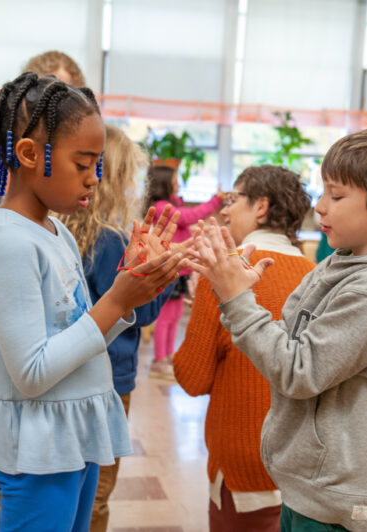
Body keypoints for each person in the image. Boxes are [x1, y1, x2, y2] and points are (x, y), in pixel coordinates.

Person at [183, 121, 367, 532]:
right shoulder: (337, 264)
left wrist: (238, 300)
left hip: (337, 497)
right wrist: (243, 290)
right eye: (322, 191)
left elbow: (298, 370)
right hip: (309, 483)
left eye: (337, 195)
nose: (321, 206)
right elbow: (289, 340)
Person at [0, 72, 184, 531]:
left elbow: (72, 326)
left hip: (71, 432)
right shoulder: (8, 242)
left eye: (98, 164)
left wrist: (132, 285)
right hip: (37, 452)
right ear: (31, 155)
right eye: (83, 163)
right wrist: (115, 301)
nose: (94, 178)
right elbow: (33, 373)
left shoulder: (54, 230)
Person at [173, 165, 315, 532]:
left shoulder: (225, 274)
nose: (224, 209)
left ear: (261, 207)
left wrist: (201, 318)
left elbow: (193, 378)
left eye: (234, 199)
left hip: (243, 461)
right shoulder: (317, 275)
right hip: (306, 465)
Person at [60, 124, 173, 532]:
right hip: (109, 378)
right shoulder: (110, 239)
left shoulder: (63, 228)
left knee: (64, 479)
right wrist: (166, 275)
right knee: (97, 491)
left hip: (65, 371)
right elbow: (138, 313)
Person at [144, 165, 224, 378]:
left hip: (181, 269)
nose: (178, 184)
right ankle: (159, 360)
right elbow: (190, 216)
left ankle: (168, 356)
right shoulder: (162, 207)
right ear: (163, 184)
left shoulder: (171, 205)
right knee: (165, 316)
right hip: (170, 268)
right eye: (175, 181)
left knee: (175, 315)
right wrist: (215, 200)